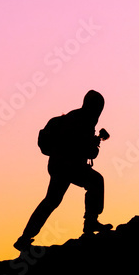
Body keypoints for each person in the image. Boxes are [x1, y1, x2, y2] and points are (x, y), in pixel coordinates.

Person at [14, 90, 112, 251]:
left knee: (51, 201)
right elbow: (88, 151)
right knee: (95, 181)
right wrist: (96, 142)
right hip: (69, 166)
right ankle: (90, 224)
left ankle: (24, 238)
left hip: (58, 165)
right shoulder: (84, 121)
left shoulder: (74, 117)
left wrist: (92, 141)